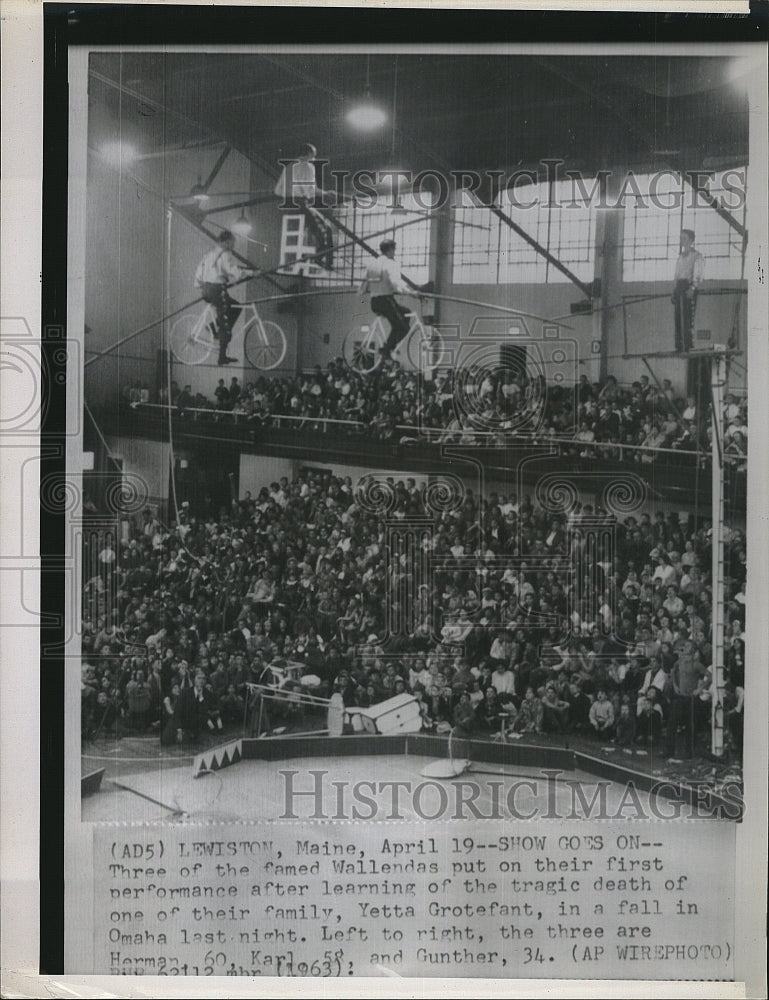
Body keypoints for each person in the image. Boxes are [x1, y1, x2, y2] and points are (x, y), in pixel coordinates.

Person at [194, 230, 255, 366]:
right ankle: (222, 357)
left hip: (207, 290)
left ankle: (212, 327)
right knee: (225, 325)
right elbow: (233, 271)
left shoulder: (209, 254)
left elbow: (198, 273)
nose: (233, 246)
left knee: (236, 307)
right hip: (217, 290)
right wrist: (251, 273)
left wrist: (200, 286)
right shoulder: (225, 253)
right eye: (232, 243)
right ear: (226, 242)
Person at [274, 143, 334, 268]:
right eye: (313, 155)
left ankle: (313, 256)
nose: (314, 158)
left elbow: (277, 191)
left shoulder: (288, 167)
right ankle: (322, 259)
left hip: (288, 207)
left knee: (315, 225)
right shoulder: (307, 167)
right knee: (327, 229)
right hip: (300, 205)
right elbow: (311, 191)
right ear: (307, 154)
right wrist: (326, 193)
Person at [359, 239, 415, 361]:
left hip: (374, 302)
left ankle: (389, 347)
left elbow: (363, 286)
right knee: (405, 327)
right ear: (390, 250)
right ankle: (387, 349)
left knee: (404, 314)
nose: (394, 253)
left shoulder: (372, 264)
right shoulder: (391, 264)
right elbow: (396, 282)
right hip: (386, 301)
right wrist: (409, 292)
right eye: (394, 250)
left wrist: (364, 291)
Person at [671, 229, 704, 352]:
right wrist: (674, 290)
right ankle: (679, 345)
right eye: (680, 238)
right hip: (679, 286)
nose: (681, 241)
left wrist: (693, 288)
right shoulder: (680, 257)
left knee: (688, 316)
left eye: (684, 238)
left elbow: (698, 274)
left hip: (689, 286)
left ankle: (688, 345)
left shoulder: (697, 256)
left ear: (691, 240)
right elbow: (676, 275)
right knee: (678, 317)